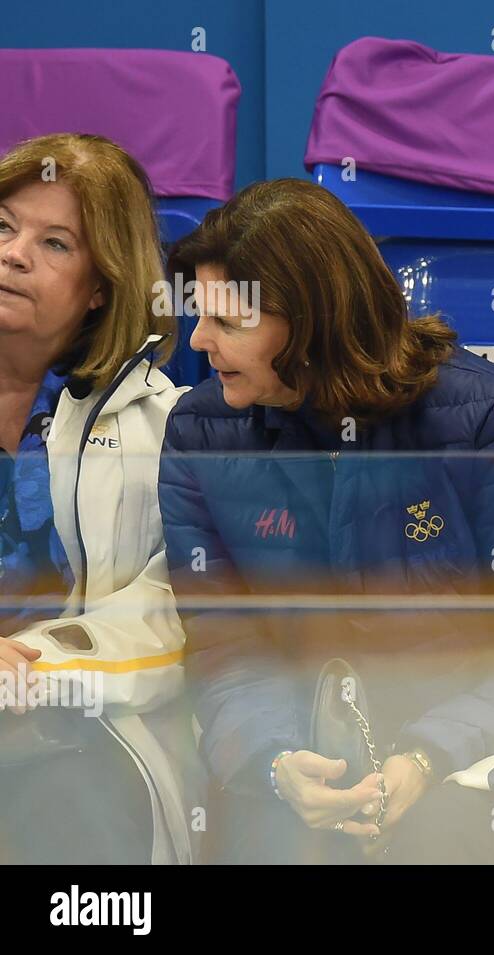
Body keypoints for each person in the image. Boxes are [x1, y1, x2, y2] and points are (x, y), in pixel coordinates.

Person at [158, 178, 494, 864]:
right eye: (201, 314)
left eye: (230, 321)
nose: (201, 340)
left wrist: (426, 755)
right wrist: (276, 763)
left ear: (313, 320)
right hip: (301, 759)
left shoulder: (482, 416)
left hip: (473, 757)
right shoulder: (200, 433)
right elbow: (224, 651)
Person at [0, 133, 197, 864]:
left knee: (71, 810)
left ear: (100, 288)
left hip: (78, 724)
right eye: (2, 227)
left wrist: (30, 665)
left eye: (54, 243)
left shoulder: (167, 428)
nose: (14, 254)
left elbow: (169, 613)